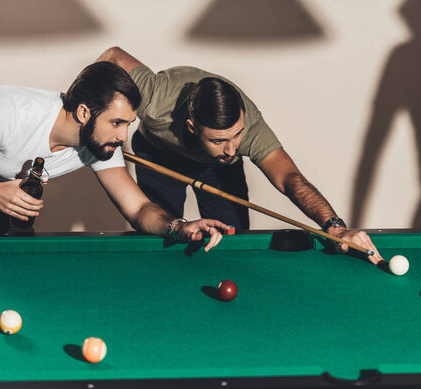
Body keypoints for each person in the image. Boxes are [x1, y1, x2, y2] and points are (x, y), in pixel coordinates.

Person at [97, 47, 383, 264]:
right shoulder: (156, 100)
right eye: (220, 140)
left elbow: (291, 179)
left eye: (238, 135)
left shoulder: (249, 131)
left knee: (233, 239)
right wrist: (89, 111)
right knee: (164, 233)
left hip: (216, 170)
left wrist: (335, 226)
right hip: (159, 156)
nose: (233, 149)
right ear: (192, 127)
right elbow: (113, 55)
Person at [0, 61, 228, 250]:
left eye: (127, 124)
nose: (124, 136)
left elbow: (138, 209)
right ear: (84, 112)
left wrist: (177, 226)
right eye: (117, 122)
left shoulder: (100, 144)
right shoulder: (9, 112)